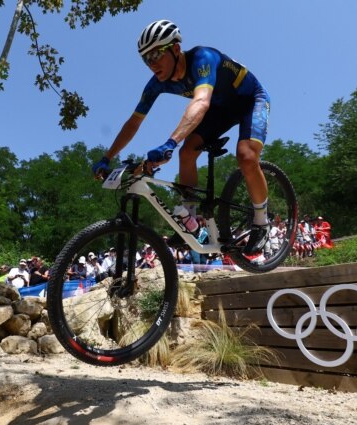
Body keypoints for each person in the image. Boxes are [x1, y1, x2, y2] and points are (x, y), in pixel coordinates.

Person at [92, 20, 272, 255]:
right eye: (146, 58)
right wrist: (107, 157)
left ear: (176, 48)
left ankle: (262, 222)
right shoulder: (157, 83)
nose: (151, 63)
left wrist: (170, 142)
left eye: (156, 54)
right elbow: (134, 122)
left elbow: (201, 101)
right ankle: (192, 220)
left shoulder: (203, 58)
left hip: (250, 100)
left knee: (246, 156)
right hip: (220, 109)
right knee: (187, 152)